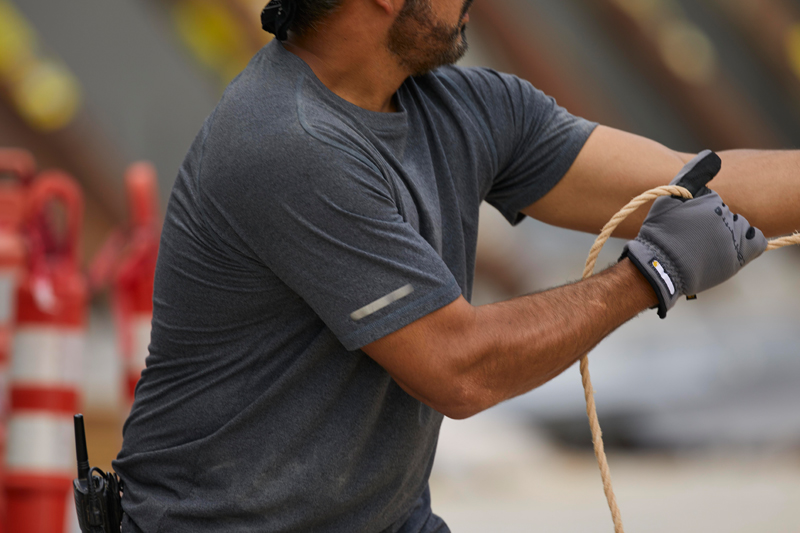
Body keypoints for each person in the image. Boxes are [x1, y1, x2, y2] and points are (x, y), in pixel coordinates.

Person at [113, 0, 799, 531]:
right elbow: (461, 367)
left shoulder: (468, 108)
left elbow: (697, 189)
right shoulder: (288, 140)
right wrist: (648, 275)